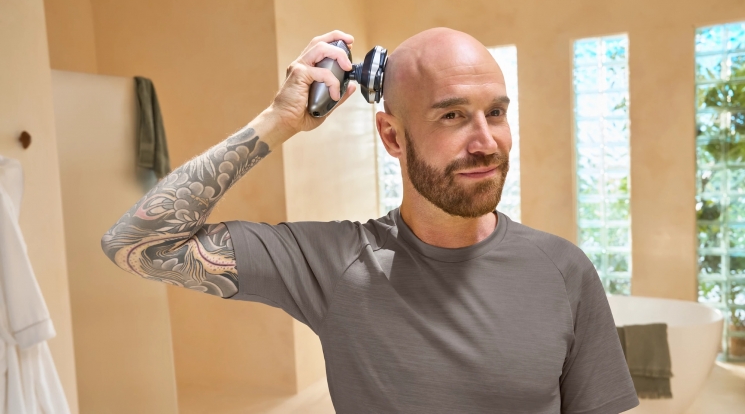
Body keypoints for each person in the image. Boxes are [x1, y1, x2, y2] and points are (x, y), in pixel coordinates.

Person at [101, 28, 639, 413]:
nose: (486, 142)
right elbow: (138, 244)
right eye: (453, 115)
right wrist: (278, 121)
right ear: (391, 136)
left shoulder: (563, 271)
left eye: (495, 113)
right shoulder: (336, 265)